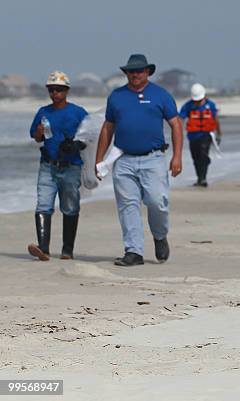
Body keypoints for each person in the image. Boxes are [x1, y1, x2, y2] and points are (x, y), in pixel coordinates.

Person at [95, 54, 183, 266]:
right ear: (126, 73)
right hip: (123, 160)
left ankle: (160, 236)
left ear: (147, 72)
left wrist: (177, 156)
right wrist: (99, 161)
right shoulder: (116, 96)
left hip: (153, 159)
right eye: (131, 71)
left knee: (157, 202)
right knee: (128, 205)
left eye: (139, 71)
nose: (135, 74)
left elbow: (176, 125)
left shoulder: (161, 95)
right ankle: (133, 251)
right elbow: (108, 128)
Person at [27, 71, 88, 261]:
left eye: (59, 90)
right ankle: (43, 249)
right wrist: (38, 132)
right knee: (43, 204)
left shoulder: (78, 112)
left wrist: (77, 144)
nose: (55, 93)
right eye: (51, 90)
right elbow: (36, 138)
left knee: (70, 207)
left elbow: (91, 137)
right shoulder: (43, 112)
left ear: (67, 90)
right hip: (48, 166)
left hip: (71, 167)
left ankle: (67, 250)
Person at [179, 83, 221, 187]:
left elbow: (216, 119)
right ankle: (199, 178)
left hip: (206, 135)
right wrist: (178, 131)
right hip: (193, 137)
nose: (197, 102)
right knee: (196, 158)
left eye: (199, 100)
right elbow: (180, 119)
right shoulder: (188, 105)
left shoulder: (210, 105)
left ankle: (203, 179)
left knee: (203, 155)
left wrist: (219, 133)